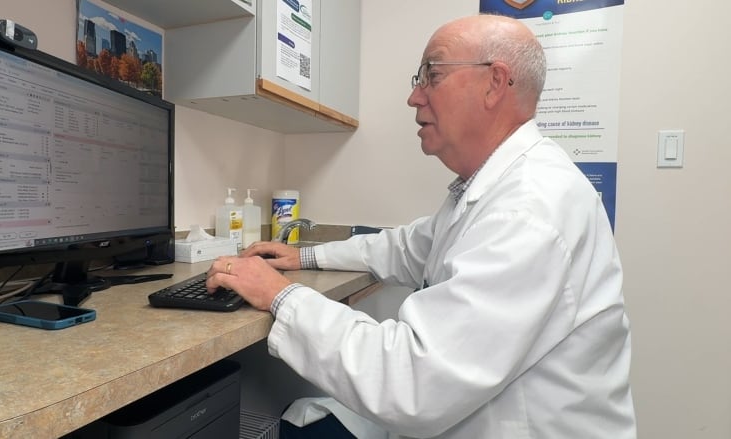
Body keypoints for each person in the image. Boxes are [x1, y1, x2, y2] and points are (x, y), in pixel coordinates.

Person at [206, 13, 637, 439]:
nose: (414, 97)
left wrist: (279, 294)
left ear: (494, 83)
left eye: (431, 75)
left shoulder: (529, 208)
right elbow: (407, 247)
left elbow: (411, 381)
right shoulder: (495, 190)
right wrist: (304, 255)